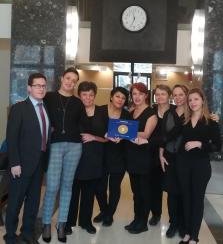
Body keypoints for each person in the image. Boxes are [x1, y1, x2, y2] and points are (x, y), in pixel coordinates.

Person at [4, 73, 50, 244]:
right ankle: (10, 236)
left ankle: (27, 233)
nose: (41, 88)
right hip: (21, 165)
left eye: (44, 86)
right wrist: (14, 163)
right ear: (29, 88)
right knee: (15, 203)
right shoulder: (19, 108)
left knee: (33, 202)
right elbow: (12, 138)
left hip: (39, 164)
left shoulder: (45, 108)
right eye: (37, 85)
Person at [42, 67, 85, 243]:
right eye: (68, 78)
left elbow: (83, 124)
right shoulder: (49, 97)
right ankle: (46, 223)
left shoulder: (78, 102)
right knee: (52, 186)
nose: (70, 82)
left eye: (74, 81)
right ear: (61, 78)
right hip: (55, 145)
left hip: (75, 146)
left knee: (67, 186)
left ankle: (61, 224)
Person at [177, 88, 221, 244]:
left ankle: (194, 236)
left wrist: (200, 144)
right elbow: (170, 136)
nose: (193, 102)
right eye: (190, 100)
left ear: (203, 100)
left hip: (201, 166)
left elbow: (217, 146)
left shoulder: (211, 121)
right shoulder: (184, 120)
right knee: (186, 199)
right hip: (183, 165)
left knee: (197, 200)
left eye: (196, 99)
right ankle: (188, 233)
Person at [65, 81, 107, 234]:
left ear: (95, 96)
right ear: (79, 95)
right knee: (73, 193)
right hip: (74, 159)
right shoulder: (72, 111)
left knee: (89, 194)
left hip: (94, 158)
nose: (88, 98)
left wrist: (93, 137)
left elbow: (107, 138)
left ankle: (85, 222)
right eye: (84, 94)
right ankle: (69, 223)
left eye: (91, 95)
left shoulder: (102, 112)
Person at [93, 87, 130, 227]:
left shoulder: (126, 114)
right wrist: (105, 134)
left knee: (114, 187)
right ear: (111, 97)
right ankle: (104, 210)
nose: (120, 100)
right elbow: (94, 128)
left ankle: (109, 215)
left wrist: (123, 137)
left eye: (123, 98)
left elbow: (130, 133)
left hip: (119, 156)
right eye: (118, 96)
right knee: (100, 187)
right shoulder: (100, 110)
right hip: (100, 154)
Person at [125, 82, 157, 234]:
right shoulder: (131, 111)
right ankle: (136, 219)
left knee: (144, 192)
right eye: (134, 94)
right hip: (132, 156)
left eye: (140, 94)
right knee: (135, 192)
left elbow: (146, 134)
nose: (137, 97)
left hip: (144, 158)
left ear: (146, 95)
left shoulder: (151, 113)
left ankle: (143, 222)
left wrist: (125, 131)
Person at [159, 85, 189, 238]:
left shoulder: (192, 113)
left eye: (181, 94)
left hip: (186, 159)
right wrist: (161, 154)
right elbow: (164, 137)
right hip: (170, 156)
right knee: (171, 193)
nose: (178, 98)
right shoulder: (168, 113)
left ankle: (183, 225)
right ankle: (173, 223)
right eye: (175, 95)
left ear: (186, 95)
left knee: (184, 192)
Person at [148, 84, 172, 226]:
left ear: (168, 95)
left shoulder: (175, 111)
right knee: (154, 186)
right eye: (157, 94)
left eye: (163, 94)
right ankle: (156, 214)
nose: (159, 96)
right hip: (152, 155)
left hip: (170, 154)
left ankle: (173, 218)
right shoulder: (151, 112)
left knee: (172, 187)